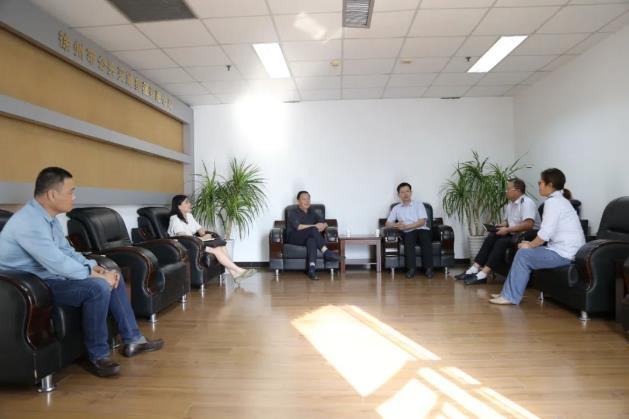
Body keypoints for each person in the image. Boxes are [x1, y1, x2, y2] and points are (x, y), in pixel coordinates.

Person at [0, 167, 163, 378]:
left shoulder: (48, 219)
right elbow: (57, 262)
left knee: (112, 274)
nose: (74, 197)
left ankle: (133, 340)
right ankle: (97, 355)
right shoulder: (28, 222)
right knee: (98, 287)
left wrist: (92, 266)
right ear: (52, 194)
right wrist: (95, 275)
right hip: (29, 288)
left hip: (50, 278)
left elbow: (66, 251)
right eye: (71, 191)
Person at [490, 168, 585, 305]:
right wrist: (529, 245)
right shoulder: (559, 200)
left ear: (549, 184)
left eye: (540, 183)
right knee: (523, 251)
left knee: (523, 254)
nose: (539, 185)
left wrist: (529, 245)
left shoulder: (553, 203)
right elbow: (546, 233)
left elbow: (545, 233)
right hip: (562, 251)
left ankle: (510, 296)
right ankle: (508, 292)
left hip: (565, 255)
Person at [459, 178, 541, 285]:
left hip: (528, 235)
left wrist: (507, 229)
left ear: (517, 190)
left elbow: (528, 224)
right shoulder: (510, 204)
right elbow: (507, 221)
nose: (506, 191)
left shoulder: (527, 203)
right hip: (515, 234)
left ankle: (483, 274)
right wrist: (501, 226)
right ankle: (474, 268)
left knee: (501, 242)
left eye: (508, 189)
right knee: (492, 236)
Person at [167, 195, 256, 282]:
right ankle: (239, 270)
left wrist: (206, 233)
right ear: (179, 206)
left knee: (221, 246)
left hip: (196, 242)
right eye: (186, 202)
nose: (190, 204)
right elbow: (183, 237)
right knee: (216, 250)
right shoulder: (174, 219)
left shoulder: (189, 216)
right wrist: (202, 238)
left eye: (189, 202)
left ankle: (234, 274)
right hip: (186, 246)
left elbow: (200, 229)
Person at [285, 191, 339, 280]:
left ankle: (311, 269)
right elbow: (298, 227)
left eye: (308, 199)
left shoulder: (312, 211)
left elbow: (322, 221)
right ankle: (326, 252)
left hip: (307, 237)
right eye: (304, 199)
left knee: (312, 240)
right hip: (294, 237)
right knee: (313, 229)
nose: (307, 201)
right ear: (298, 201)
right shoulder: (293, 212)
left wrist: (324, 225)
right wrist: (315, 226)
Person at [385, 182, 434, 279]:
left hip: (421, 229)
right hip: (408, 232)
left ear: (411, 193)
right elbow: (387, 223)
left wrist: (407, 227)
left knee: (425, 237)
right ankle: (411, 269)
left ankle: (428, 269)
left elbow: (422, 222)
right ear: (399, 195)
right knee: (409, 238)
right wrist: (396, 225)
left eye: (407, 191)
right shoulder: (396, 208)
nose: (405, 194)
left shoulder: (418, 205)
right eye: (402, 192)